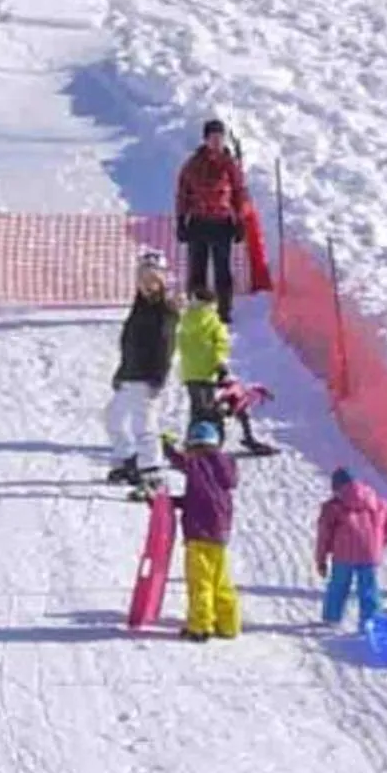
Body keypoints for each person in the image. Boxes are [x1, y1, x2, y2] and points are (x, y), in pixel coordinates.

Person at [106, 250, 179, 489]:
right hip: (129, 375)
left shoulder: (164, 310)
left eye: (153, 279)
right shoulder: (139, 306)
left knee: (144, 425)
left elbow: (166, 345)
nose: (147, 284)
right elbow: (129, 344)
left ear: (161, 281)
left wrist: (159, 377)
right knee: (113, 419)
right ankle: (127, 459)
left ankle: (151, 470)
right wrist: (120, 372)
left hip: (147, 378)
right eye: (143, 278)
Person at [174, 119, 249, 324]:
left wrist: (240, 220)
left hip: (222, 223)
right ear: (205, 139)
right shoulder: (193, 164)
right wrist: (181, 220)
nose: (216, 142)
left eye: (220, 138)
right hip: (199, 222)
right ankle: (197, 310)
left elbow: (240, 193)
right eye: (213, 137)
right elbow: (183, 194)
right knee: (197, 269)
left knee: (222, 269)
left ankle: (224, 310)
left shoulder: (230, 165)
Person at [173, 420, 238, 641]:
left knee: (200, 581)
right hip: (220, 533)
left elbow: (183, 462)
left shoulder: (199, 464)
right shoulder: (223, 468)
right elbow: (199, 499)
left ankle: (200, 627)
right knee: (220, 580)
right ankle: (228, 624)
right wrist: (171, 502)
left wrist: (167, 449)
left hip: (199, 533)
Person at [315, 468, 387, 629]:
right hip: (370, 554)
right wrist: (381, 542)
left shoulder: (332, 507)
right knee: (369, 588)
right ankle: (370, 620)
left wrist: (321, 560)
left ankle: (332, 618)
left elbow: (324, 535)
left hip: (343, 555)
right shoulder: (378, 502)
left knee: (338, 586)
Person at [176, 285, 229, 438]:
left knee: (197, 407)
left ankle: (194, 437)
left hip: (191, 372)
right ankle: (213, 436)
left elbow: (181, 343)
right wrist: (220, 363)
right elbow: (221, 343)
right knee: (209, 407)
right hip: (209, 370)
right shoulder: (213, 321)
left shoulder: (186, 319)